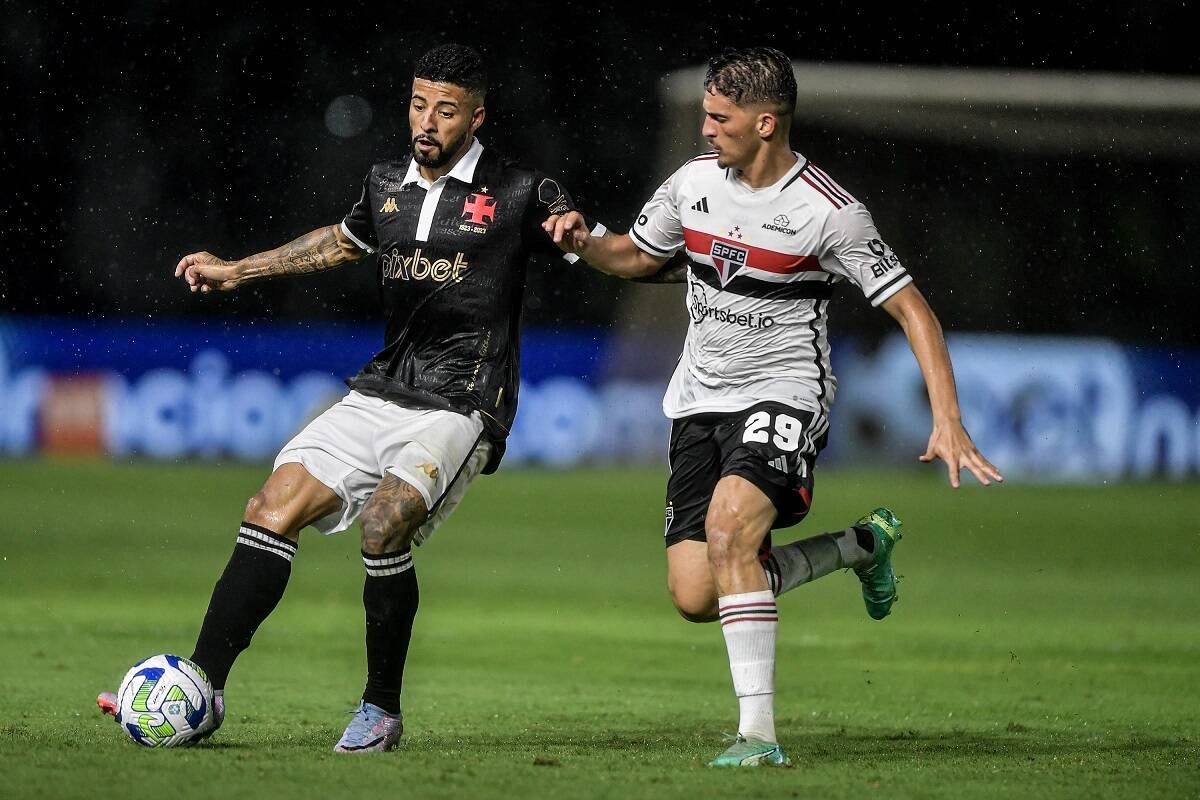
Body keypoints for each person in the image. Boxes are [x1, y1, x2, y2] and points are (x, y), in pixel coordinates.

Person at [97, 43, 598, 753]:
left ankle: (380, 709)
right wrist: (238, 271)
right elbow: (340, 242)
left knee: (384, 524)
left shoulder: (519, 191)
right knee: (271, 506)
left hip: (463, 403)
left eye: (446, 110)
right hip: (384, 388)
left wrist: (576, 231)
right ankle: (201, 690)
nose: (427, 120)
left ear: (476, 116)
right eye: (419, 103)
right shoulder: (386, 181)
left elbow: (577, 230)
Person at [544, 46, 1002, 767]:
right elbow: (635, 256)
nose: (705, 129)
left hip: (786, 394)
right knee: (698, 592)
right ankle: (860, 546)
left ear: (765, 123)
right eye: (704, 113)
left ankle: (758, 737)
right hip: (699, 401)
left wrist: (947, 417)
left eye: (719, 118)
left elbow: (915, 311)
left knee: (731, 528)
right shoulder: (693, 183)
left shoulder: (830, 212)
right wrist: (582, 242)